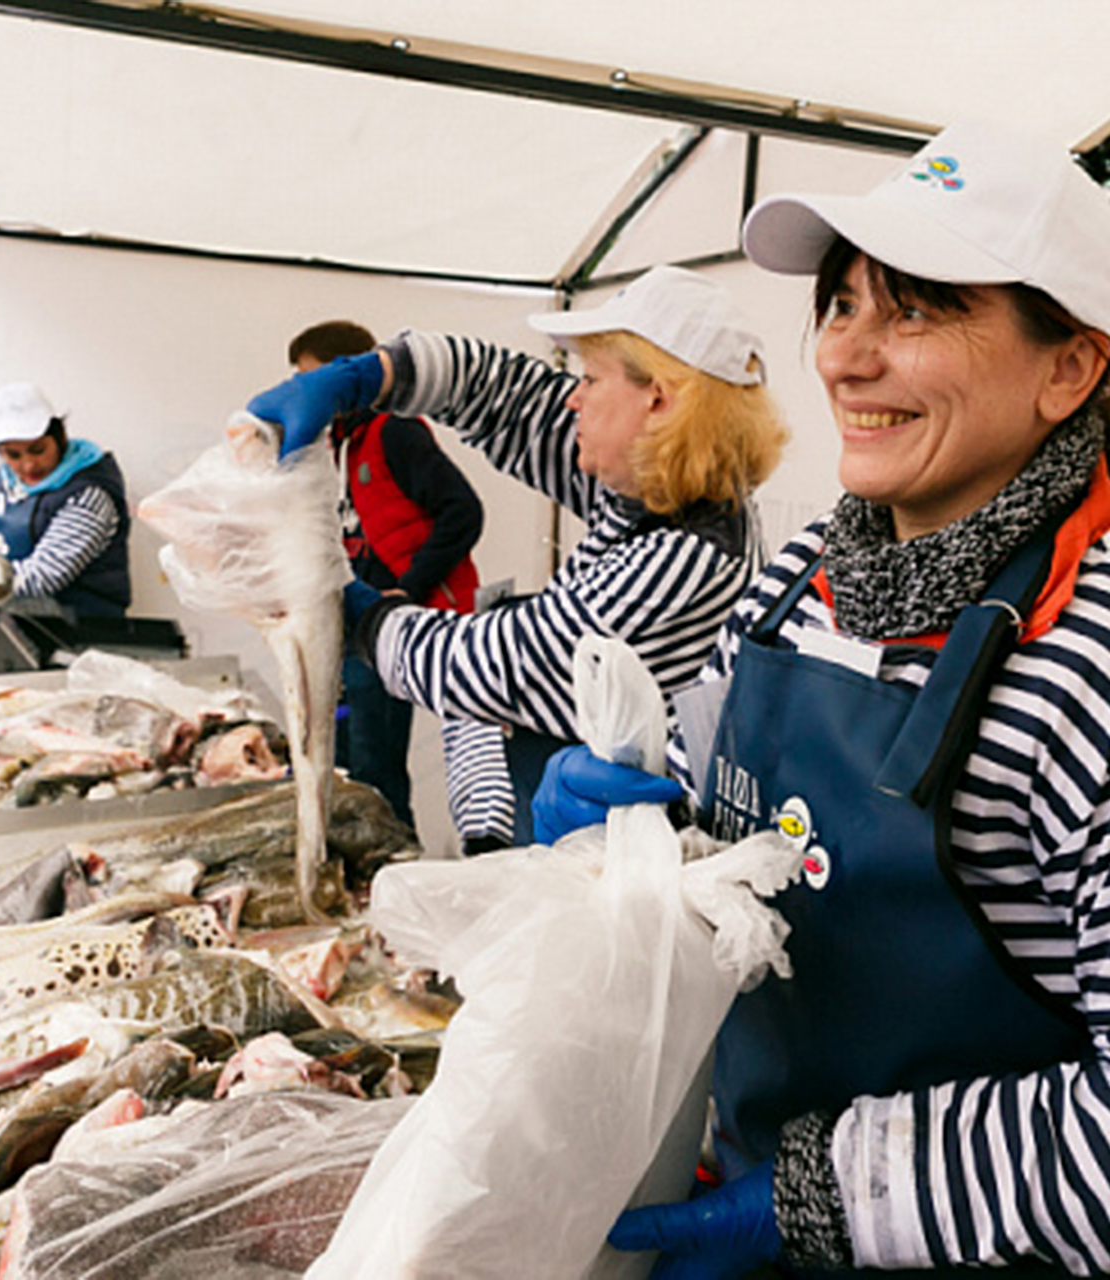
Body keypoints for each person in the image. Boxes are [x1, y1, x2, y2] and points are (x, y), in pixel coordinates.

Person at [534, 118, 1110, 1277]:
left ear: (1069, 366)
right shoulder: (810, 565)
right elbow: (724, 790)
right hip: (739, 1167)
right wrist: (635, 825)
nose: (844, 356)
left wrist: (824, 1196)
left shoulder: (1083, 669)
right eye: (840, 303)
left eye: (916, 307)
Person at [247, 267, 789, 845]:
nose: (573, 398)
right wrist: (367, 377)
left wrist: (334, 596)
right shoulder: (655, 484)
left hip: (613, 860)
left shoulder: (687, 558)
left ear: (657, 400)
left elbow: (483, 666)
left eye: (591, 379)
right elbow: (509, 400)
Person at [286, 319, 485, 833]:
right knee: (350, 757)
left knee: (378, 769)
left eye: (311, 381)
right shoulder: (341, 445)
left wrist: (411, 587)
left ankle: (395, 864)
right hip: (360, 625)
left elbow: (463, 511)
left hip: (402, 623)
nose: (305, 395)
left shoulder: (393, 432)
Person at [0, 381, 131, 618]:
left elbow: (42, 577)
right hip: (18, 622)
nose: (28, 465)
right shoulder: (4, 482)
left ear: (59, 438)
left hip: (80, 633)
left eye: (38, 450)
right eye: (13, 455)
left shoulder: (88, 495)